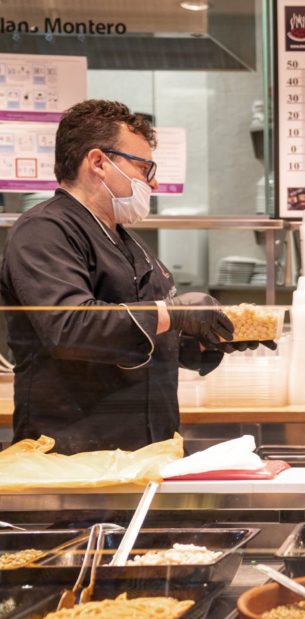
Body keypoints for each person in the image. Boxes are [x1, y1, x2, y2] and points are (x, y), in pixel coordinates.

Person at [0, 99, 253, 453]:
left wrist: (209, 339)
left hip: (145, 452)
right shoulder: (44, 230)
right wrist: (173, 313)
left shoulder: (128, 241)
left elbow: (153, 339)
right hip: (73, 459)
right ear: (99, 163)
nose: (154, 181)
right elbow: (68, 327)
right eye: (145, 168)